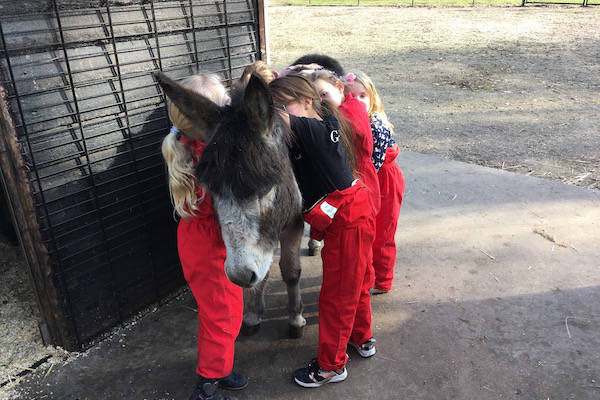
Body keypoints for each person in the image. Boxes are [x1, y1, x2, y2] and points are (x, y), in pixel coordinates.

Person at [269, 74, 377, 388]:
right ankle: (362, 338)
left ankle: (331, 366)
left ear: (305, 102)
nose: (278, 112)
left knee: (337, 297)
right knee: (356, 285)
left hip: (348, 223)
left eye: (283, 105)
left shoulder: (312, 129)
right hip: (353, 217)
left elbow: (275, 118)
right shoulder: (324, 121)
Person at [161, 74, 246, 400]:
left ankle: (221, 367)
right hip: (210, 248)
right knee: (221, 316)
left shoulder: (189, 143)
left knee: (225, 311)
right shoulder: (208, 157)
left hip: (205, 241)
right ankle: (208, 382)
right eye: (224, 105)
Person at [306, 69, 381, 257]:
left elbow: (350, 135)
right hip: (347, 186)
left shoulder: (351, 109)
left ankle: (363, 283)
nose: (320, 102)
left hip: (360, 184)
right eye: (315, 99)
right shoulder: (336, 111)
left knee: (358, 246)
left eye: (324, 95)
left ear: (340, 88)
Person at [344, 71, 406, 294]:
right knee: (370, 232)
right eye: (350, 96)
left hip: (384, 181)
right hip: (370, 178)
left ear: (372, 97)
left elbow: (375, 163)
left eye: (362, 96)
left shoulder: (375, 124)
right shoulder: (349, 120)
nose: (357, 101)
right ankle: (368, 273)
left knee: (383, 231)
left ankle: (383, 280)